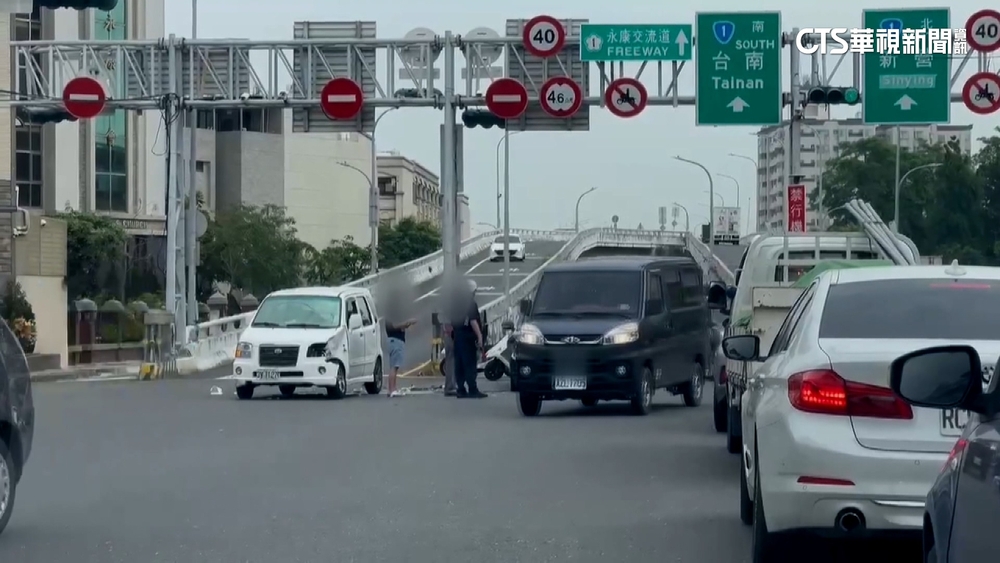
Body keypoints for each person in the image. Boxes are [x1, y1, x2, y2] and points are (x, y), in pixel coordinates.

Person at [379, 273, 417, 397]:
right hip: (396, 340)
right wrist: (406, 323)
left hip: (393, 340)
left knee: (394, 366)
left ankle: (393, 388)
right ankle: (392, 389)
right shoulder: (392, 312)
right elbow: (394, 326)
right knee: (394, 367)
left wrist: (407, 325)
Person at [451, 278, 486, 398]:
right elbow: (473, 321)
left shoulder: (456, 303)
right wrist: (480, 336)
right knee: (469, 363)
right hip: (467, 336)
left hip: (457, 335)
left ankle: (460, 389)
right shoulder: (470, 303)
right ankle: (472, 388)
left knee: (459, 363)